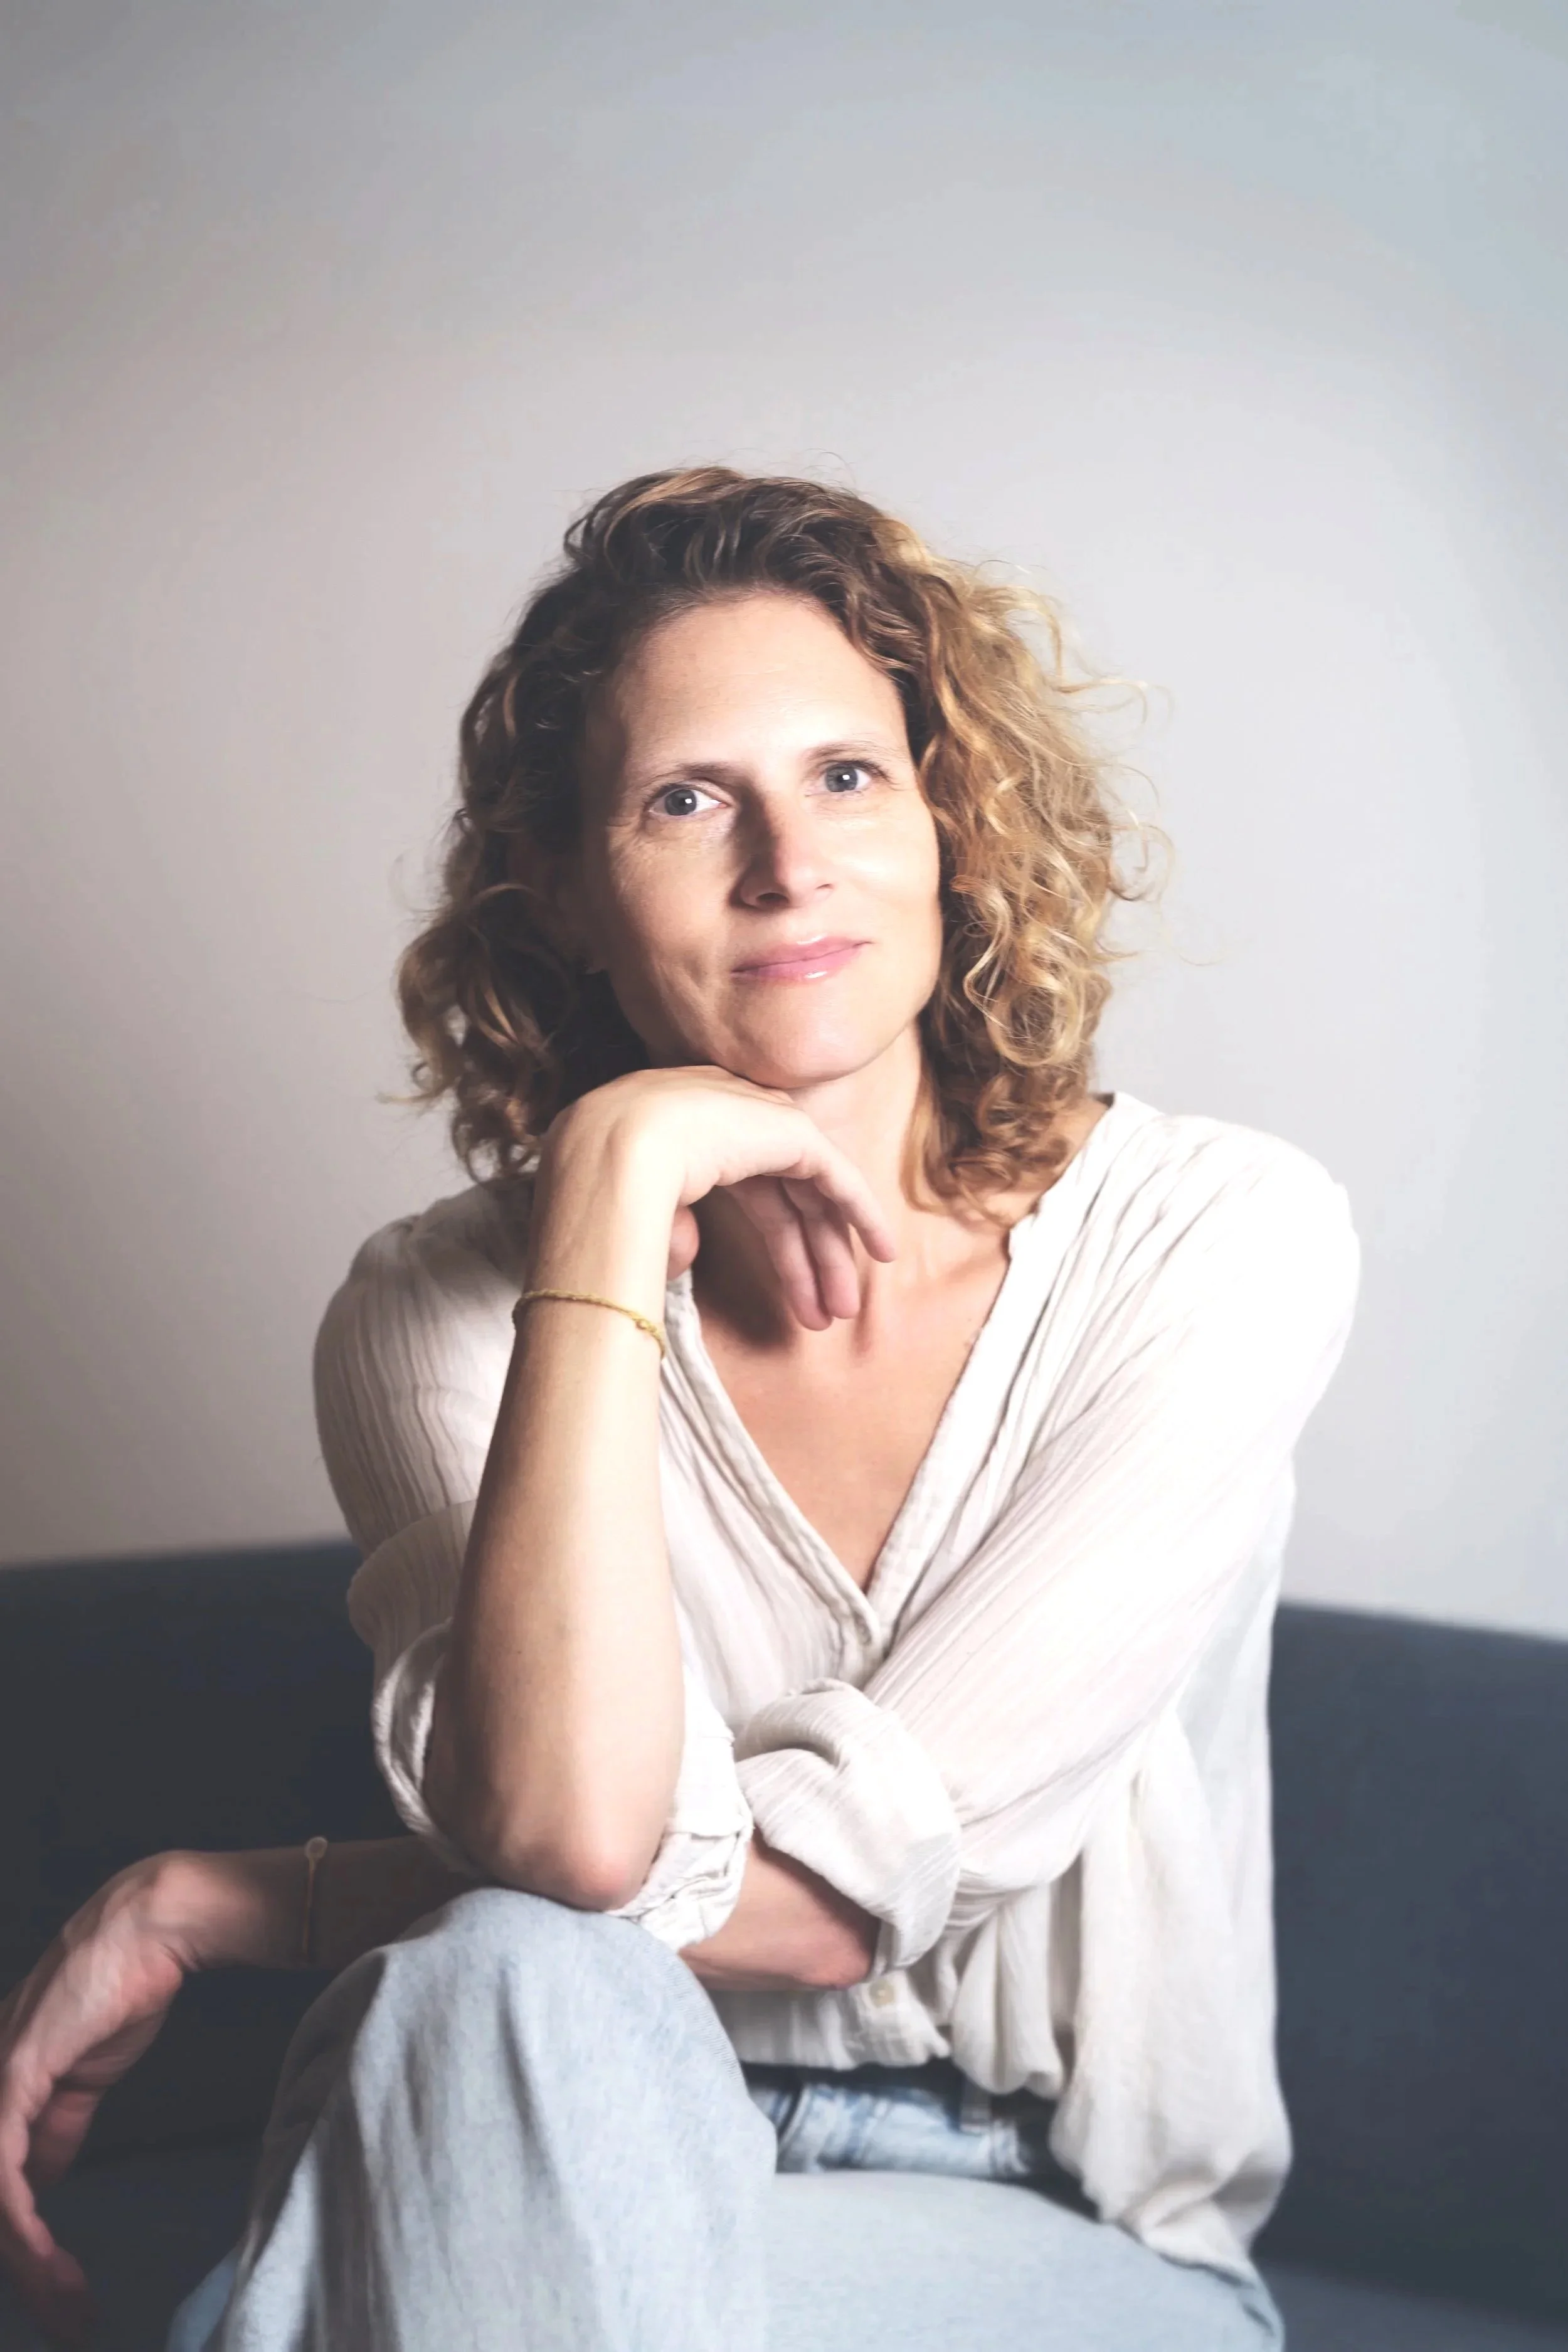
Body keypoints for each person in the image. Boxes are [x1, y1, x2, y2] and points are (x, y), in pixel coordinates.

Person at [0, 468, 1359, 2351]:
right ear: (558, 888)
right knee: (503, 1978)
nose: (786, 865)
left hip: (1033, 2224)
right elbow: (561, 1837)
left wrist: (252, 1899)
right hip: (500, 2126)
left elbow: (811, 1906)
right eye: (683, 799)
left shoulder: (1210, 1240)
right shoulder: (428, 1316)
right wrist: (610, 1195)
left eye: (849, 776)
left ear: (948, 821)